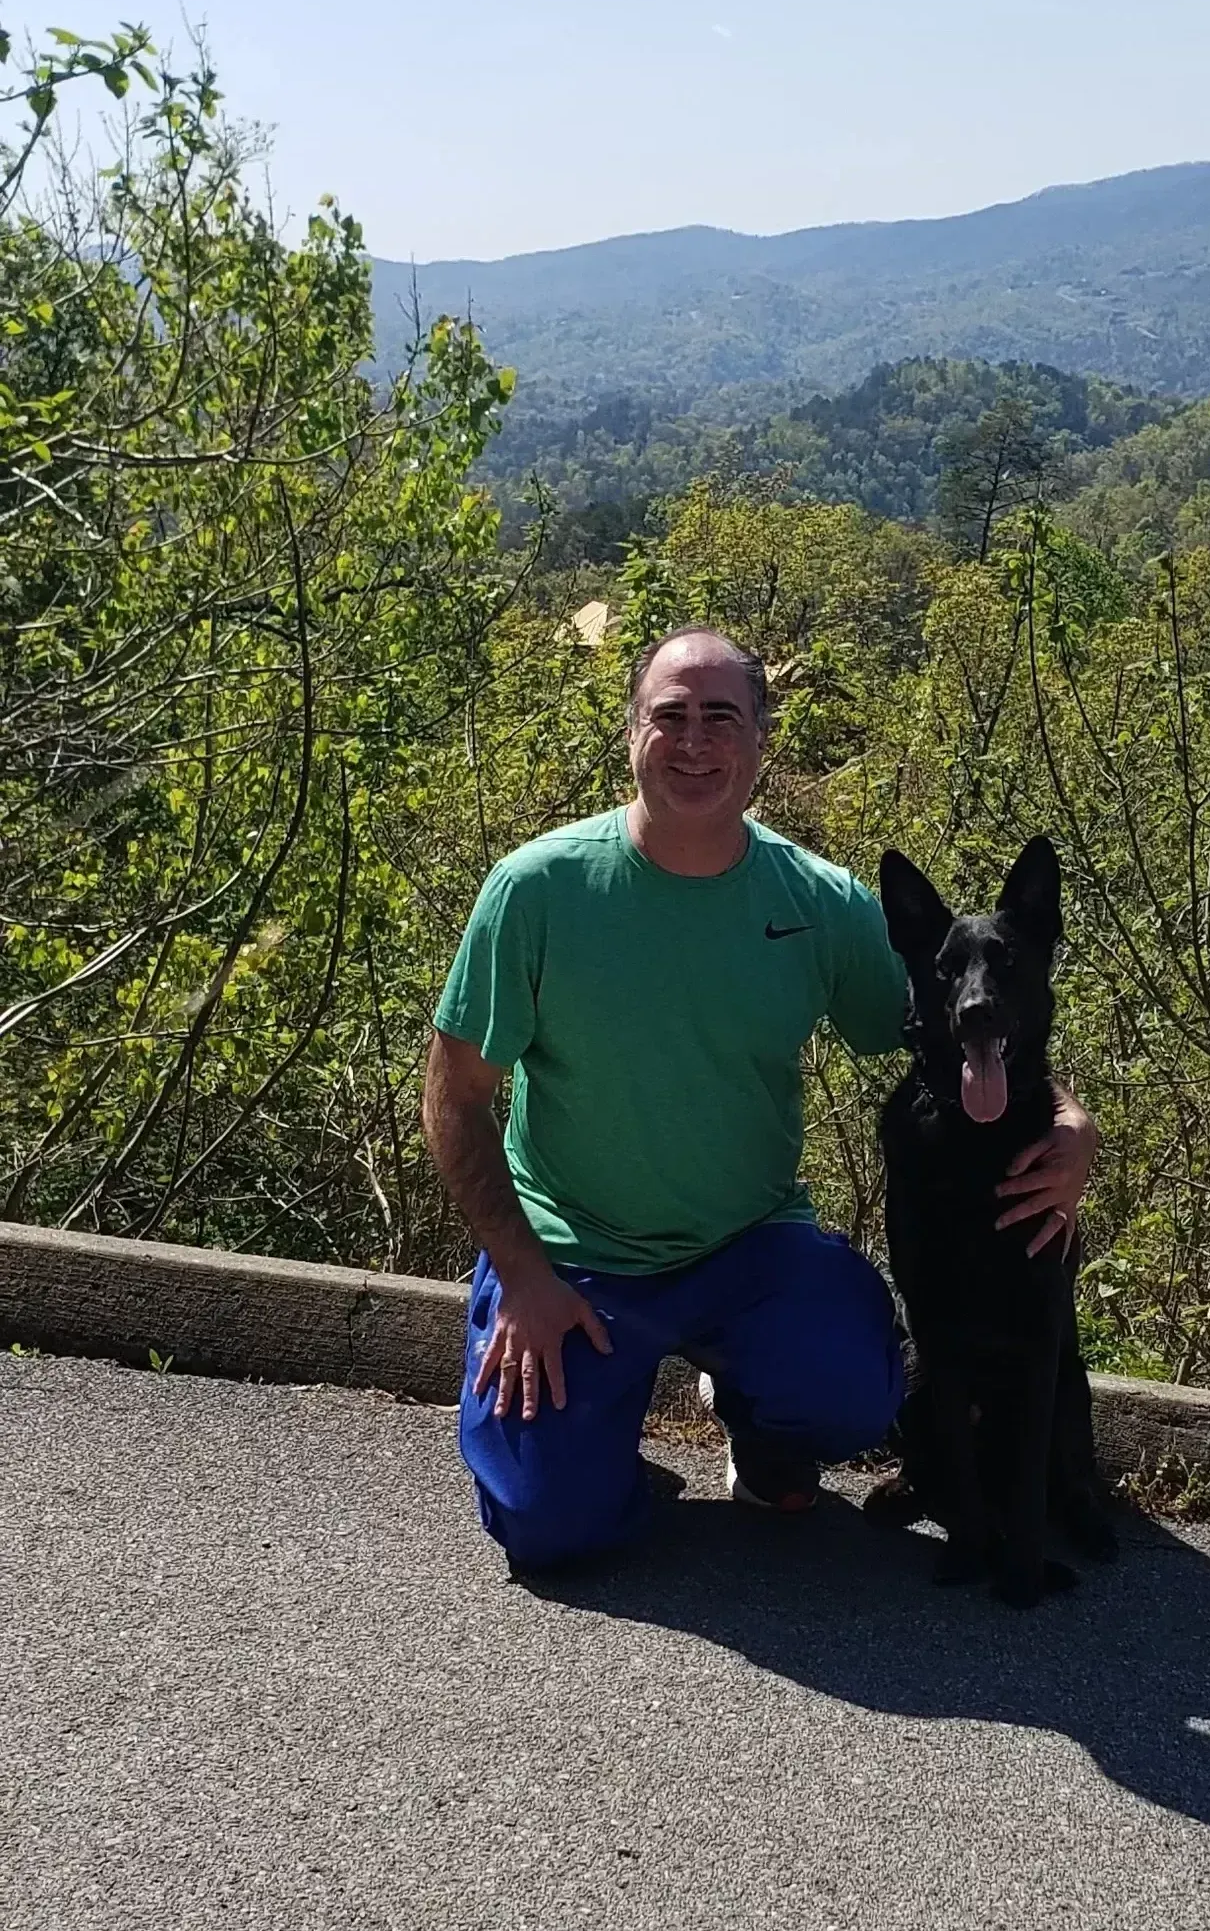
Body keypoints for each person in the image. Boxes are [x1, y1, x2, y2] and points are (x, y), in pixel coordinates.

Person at [422, 625, 1097, 1572]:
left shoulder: (816, 901)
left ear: (759, 741)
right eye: (670, 716)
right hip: (574, 1261)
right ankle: (592, 1452)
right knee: (549, 1532)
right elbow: (454, 1098)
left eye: (722, 718)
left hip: (751, 1250)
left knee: (856, 1395)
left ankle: (756, 1424)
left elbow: (961, 1024)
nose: (694, 742)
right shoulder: (537, 890)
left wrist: (1071, 1122)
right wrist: (523, 1274)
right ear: (631, 732)